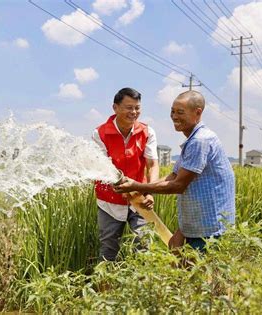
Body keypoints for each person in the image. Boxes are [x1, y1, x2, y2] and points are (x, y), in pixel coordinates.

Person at [113, 90, 235, 252]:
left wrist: (137, 186)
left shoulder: (200, 141)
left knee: (200, 274)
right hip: (197, 223)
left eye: (180, 112)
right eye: (172, 111)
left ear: (197, 112)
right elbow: (173, 175)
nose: (174, 116)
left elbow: (178, 185)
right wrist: (139, 189)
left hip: (209, 228)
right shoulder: (192, 140)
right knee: (178, 259)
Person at [93, 87, 159, 261]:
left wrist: (150, 191)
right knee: (108, 248)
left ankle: (143, 286)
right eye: (129, 107)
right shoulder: (99, 134)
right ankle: (105, 287)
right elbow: (101, 167)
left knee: (144, 245)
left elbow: (152, 164)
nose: (134, 112)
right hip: (110, 201)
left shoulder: (147, 132)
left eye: (137, 108)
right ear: (115, 108)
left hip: (139, 198)